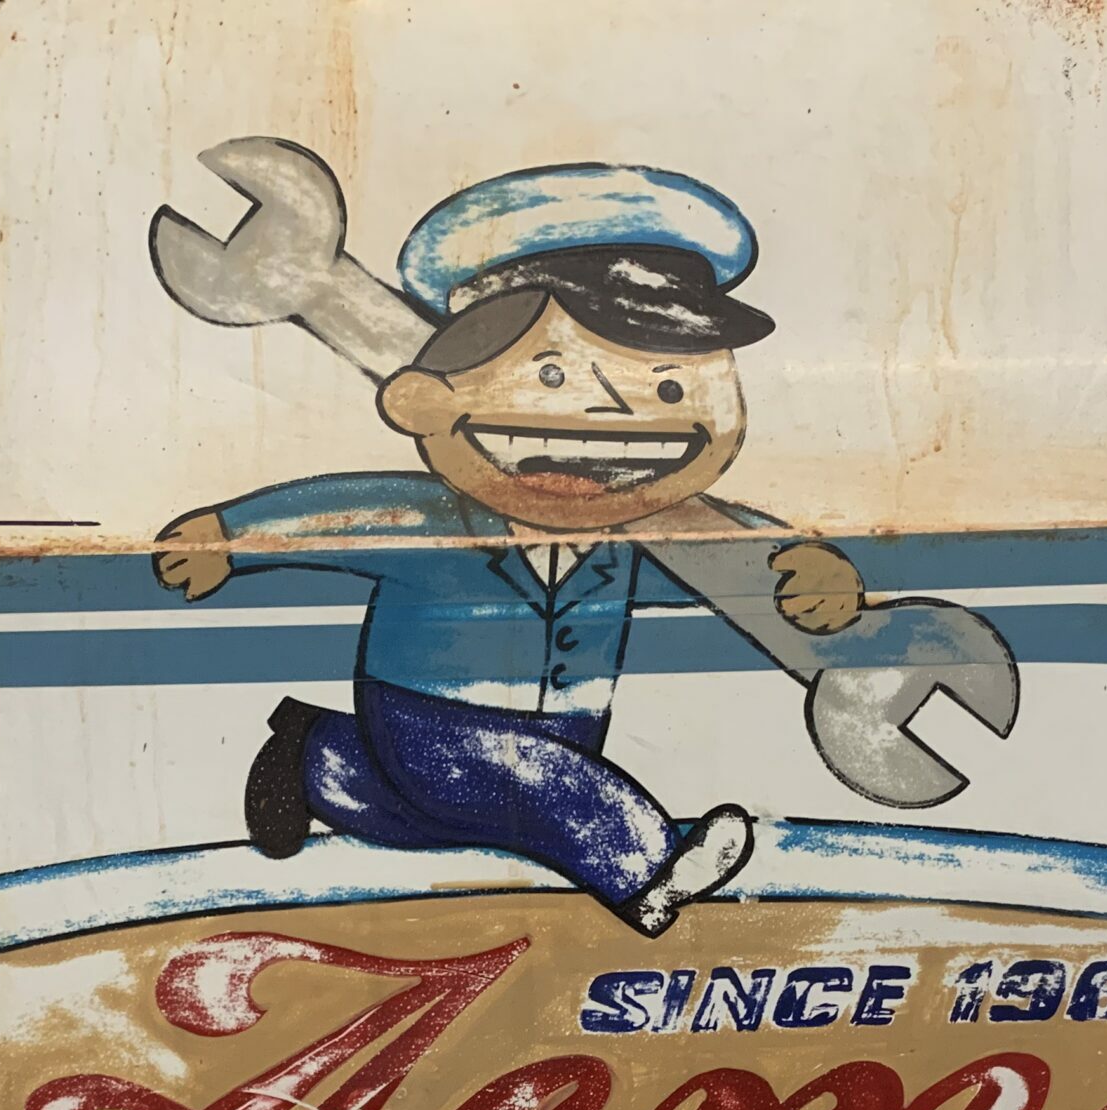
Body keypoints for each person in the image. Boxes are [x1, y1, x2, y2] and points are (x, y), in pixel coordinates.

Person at [154, 162, 866, 937]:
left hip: (566, 727)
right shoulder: (432, 521)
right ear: (420, 401)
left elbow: (732, 558)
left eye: (667, 390)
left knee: (446, 819)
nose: (607, 422)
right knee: (549, 788)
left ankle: (322, 762)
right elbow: (341, 511)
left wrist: (800, 570)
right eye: (552, 375)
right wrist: (229, 536)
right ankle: (650, 872)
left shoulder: (649, 543)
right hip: (430, 720)